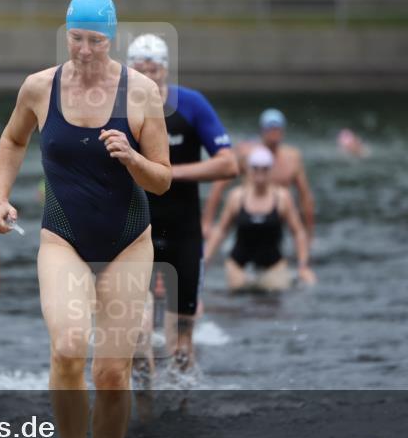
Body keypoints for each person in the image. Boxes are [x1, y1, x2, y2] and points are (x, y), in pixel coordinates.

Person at [0, 0, 170, 438]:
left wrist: (132, 158)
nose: (84, 49)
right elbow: (11, 141)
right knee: (68, 346)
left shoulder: (140, 94)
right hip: (61, 235)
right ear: (64, 32)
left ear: (110, 39)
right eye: (76, 38)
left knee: (111, 371)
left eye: (94, 40)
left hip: (128, 240)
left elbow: (161, 181)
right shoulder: (38, 87)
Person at [127, 33, 238, 373]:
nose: (148, 74)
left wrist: (167, 172)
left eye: (155, 68)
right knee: (137, 336)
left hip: (183, 232)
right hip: (135, 232)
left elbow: (229, 164)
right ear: (129, 71)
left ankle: (182, 409)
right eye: (140, 68)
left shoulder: (190, 104)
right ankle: (141, 413)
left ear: (166, 70)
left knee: (181, 346)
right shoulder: (118, 110)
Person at [205, 147, 316, 292]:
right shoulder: (237, 197)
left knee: (275, 301)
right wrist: (204, 261)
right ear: (249, 170)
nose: (260, 174)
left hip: (273, 265)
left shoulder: (282, 198)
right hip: (239, 266)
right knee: (237, 300)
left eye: (264, 169)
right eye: (256, 169)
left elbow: (298, 232)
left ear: (271, 170)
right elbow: (220, 231)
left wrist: (303, 266)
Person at [203, 108, 315, 240]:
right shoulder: (246, 153)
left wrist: (310, 233)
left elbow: (305, 197)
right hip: (249, 216)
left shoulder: (292, 158)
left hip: (277, 219)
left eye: (277, 128)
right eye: (270, 128)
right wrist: (207, 223)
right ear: (262, 131)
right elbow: (219, 186)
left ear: (283, 131)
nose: (274, 132)